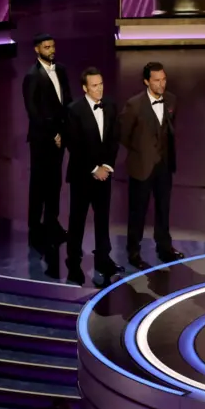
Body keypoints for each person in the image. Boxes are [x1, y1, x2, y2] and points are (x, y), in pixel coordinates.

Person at [120, 62, 184, 268]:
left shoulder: (172, 100)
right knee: (137, 212)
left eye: (164, 79)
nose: (161, 84)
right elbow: (123, 135)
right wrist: (141, 151)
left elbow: (169, 129)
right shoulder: (134, 105)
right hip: (142, 166)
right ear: (147, 81)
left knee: (163, 209)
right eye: (156, 80)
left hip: (164, 165)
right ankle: (133, 252)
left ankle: (164, 248)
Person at [65, 67, 124, 284]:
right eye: (94, 86)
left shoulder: (110, 105)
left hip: (104, 175)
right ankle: (73, 263)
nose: (99, 89)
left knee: (102, 219)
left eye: (100, 84)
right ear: (84, 88)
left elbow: (114, 139)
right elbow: (74, 145)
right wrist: (94, 169)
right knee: (77, 220)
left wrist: (107, 166)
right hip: (82, 176)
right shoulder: (74, 110)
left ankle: (103, 259)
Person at [22, 33, 72, 251]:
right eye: (46, 46)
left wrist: (65, 130)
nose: (51, 50)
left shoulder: (60, 69)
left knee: (55, 183)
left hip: (60, 137)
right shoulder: (32, 76)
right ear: (37, 49)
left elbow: (67, 101)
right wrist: (53, 133)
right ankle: (35, 229)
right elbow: (33, 111)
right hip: (42, 139)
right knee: (39, 185)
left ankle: (52, 223)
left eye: (52, 46)